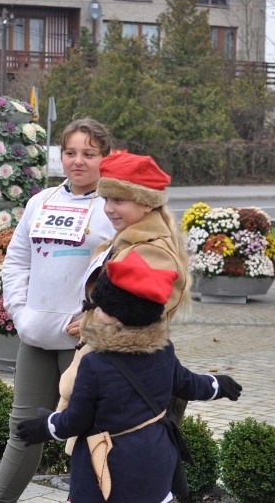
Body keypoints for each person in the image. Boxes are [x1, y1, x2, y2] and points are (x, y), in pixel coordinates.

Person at [16, 250, 242, 503]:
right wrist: (219, 385)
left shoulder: (94, 364)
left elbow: (76, 421)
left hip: (109, 465)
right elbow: (188, 384)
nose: (94, 311)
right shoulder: (163, 350)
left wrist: (44, 427)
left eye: (101, 307)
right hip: (156, 459)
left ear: (120, 318)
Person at [0, 118, 115, 503]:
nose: (78, 162)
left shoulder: (114, 206)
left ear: (104, 157)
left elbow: (127, 269)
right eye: (71, 153)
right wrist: (20, 313)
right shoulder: (40, 202)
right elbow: (17, 261)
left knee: (89, 434)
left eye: (89, 154)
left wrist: (96, 316)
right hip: (36, 338)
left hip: (84, 345)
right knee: (24, 430)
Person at [56, 151, 191, 428]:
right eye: (106, 199)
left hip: (121, 379)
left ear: (145, 203)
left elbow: (134, 318)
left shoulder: (150, 250)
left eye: (119, 199)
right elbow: (119, 306)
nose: (108, 208)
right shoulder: (127, 241)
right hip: (114, 371)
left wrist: (92, 331)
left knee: (107, 463)